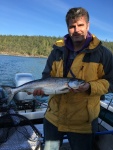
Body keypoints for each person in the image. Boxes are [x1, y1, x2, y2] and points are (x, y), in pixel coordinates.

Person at [33, 7, 113, 150]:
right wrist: (42, 91)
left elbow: (111, 83)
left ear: (88, 25)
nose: (76, 30)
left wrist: (90, 87)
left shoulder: (103, 54)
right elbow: (46, 77)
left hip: (83, 124)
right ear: (68, 28)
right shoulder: (56, 51)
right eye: (72, 26)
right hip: (53, 119)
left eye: (80, 25)